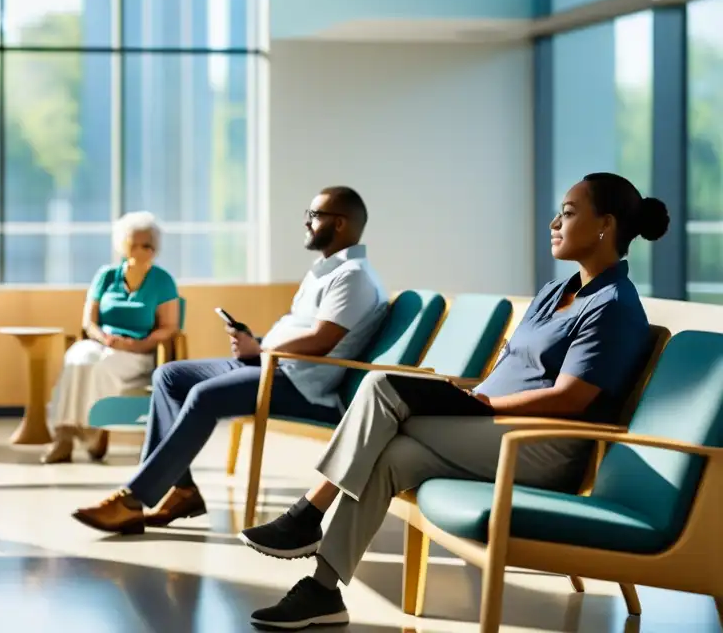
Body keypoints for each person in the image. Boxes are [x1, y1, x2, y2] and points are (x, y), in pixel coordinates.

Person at [239, 172, 670, 630]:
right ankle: (322, 591)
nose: (553, 223)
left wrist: (483, 406)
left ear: (604, 225)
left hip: (540, 447)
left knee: (384, 389)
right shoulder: (554, 292)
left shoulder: (614, 305)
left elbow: (571, 398)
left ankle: (308, 513)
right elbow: (511, 369)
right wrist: (472, 400)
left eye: (567, 213)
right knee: (392, 456)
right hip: (489, 429)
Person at [71, 186, 389, 534]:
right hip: (272, 362)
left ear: (340, 224)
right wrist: (258, 343)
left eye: (314, 216)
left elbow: (322, 341)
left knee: (204, 396)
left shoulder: (353, 276)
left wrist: (262, 351)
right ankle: (182, 490)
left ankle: (133, 499)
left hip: (299, 382)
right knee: (170, 376)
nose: (306, 222)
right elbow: (303, 332)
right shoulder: (325, 270)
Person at [43, 211, 181, 464]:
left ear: (154, 247)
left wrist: (138, 344)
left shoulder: (163, 281)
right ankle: (63, 435)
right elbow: (89, 321)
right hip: (103, 342)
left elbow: (169, 327)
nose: (141, 250)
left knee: (103, 366)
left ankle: (93, 430)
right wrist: (103, 337)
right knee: (78, 357)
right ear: (123, 245)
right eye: (135, 243)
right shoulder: (106, 276)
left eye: (147, 244)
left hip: (138, 352)